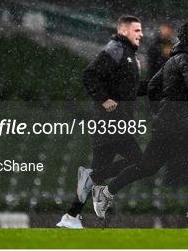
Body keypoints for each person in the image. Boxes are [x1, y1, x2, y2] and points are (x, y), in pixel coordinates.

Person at [91, 20, 188, 221]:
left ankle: (106, 192)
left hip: (167, 122)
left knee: (148, 167)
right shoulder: (185, 59)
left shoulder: (174, 59)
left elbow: (151, 86)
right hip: (178, 122)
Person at [57, 15, 147, 229]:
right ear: (124, 31)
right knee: (142, 162)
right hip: (111, 122)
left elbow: (130, 91)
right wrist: (103, 99)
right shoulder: (116, 49)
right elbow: (89, 75)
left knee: (101, 170)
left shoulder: (130, 57)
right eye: (137, 30)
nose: (141, 34)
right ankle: (95, 181)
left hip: (118, 122)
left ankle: (71, 216)